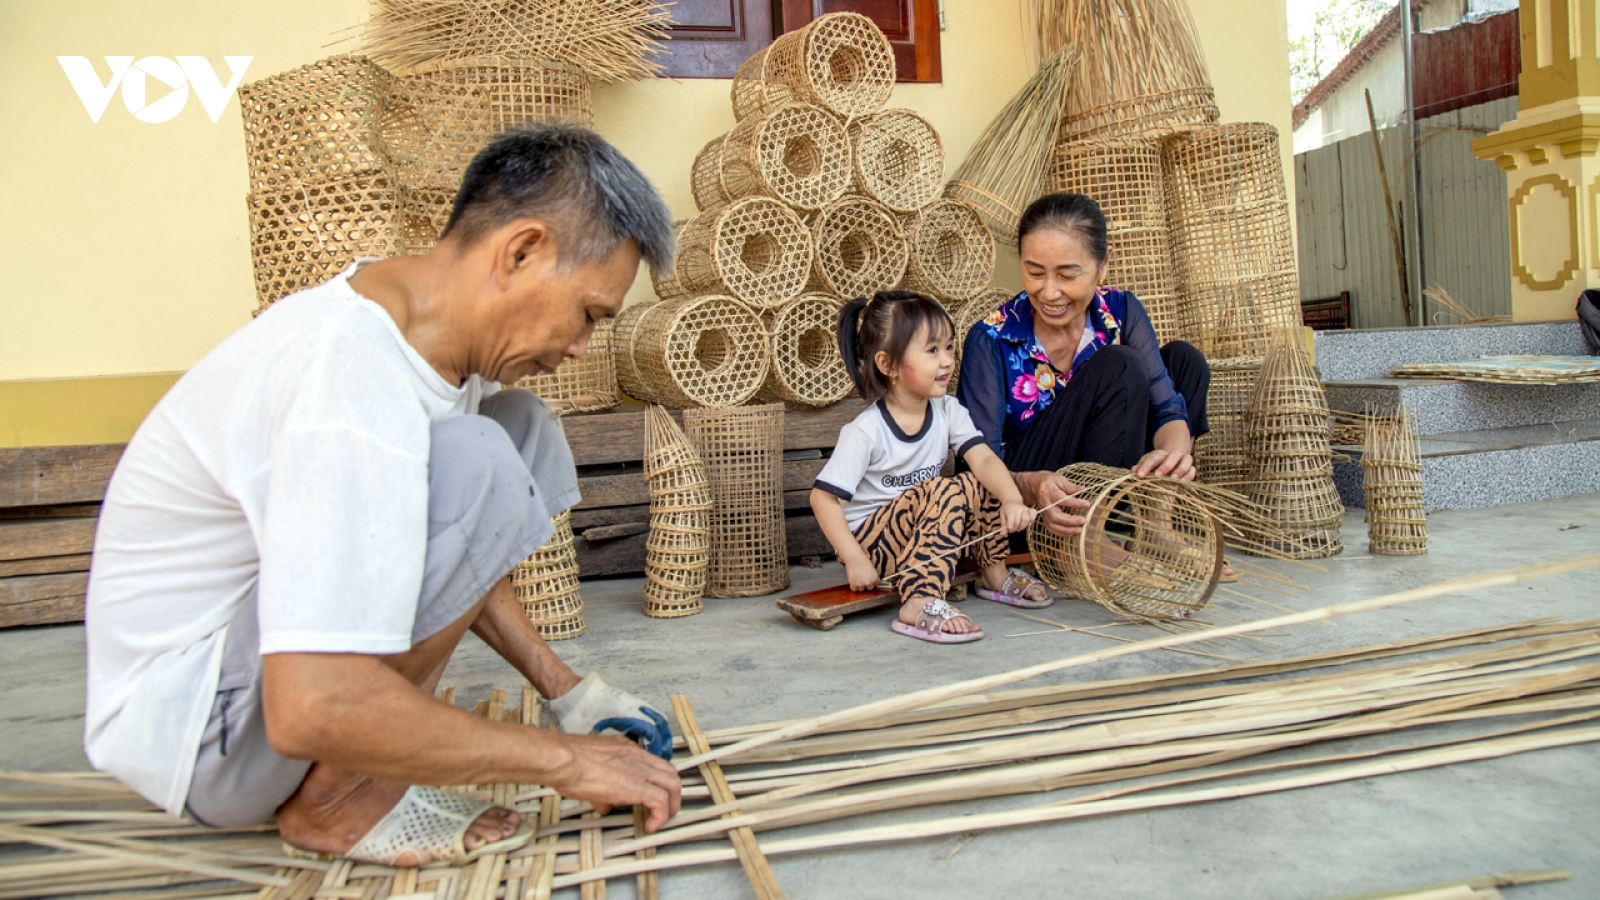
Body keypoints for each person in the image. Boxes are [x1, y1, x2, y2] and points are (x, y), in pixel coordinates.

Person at [84, 125, 682, 867]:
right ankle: (336, 802)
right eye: (589, 314)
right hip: (204, 740)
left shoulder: (425, 337)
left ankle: (355, 771)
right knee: (487, 457)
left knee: (516, 429)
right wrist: (568, 761)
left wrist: (567, 690)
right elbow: (311, 708)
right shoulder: (347, 372)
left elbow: (457, 546)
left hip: (249, 717)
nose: (580, 347)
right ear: (521, 251)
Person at [956, 192, 1214, 551]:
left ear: (1103, 264)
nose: (1049, 291)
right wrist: (1031, 485)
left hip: (1117, 479)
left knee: (1185, 361)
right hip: (1031, 499)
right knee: (1120, 366)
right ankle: (1087, 544)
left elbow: (1167, 408)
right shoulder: (992, 338)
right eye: (1034, 272)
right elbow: (973, 462)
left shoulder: (1120, 311)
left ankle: (1155, 524)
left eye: (1067, 274)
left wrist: (1170, 456)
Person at [809, 291, 1047, 645]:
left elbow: (982, 458)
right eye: (932, 350)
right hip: (877, 546)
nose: (947, 361)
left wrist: (1012, 499)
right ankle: (919, 599)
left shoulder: (948, 410)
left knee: (980, 478)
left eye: (949, 347)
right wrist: (855, 559)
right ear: (887, 365)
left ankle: (994, 572)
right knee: (945, 488)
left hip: (926, 531)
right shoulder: (865, 432)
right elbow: (822, 499)